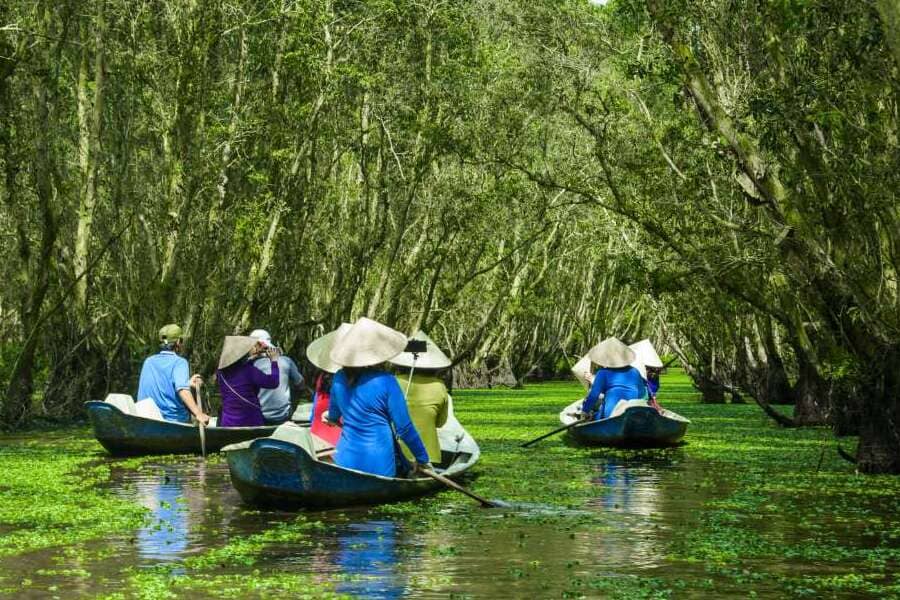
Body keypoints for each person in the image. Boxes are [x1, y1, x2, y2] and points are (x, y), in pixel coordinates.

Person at [323, 318, 430, 477]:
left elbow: (333, 416)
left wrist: (328, 416)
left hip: (343, 462)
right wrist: (422, 459)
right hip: (379, 467)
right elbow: (404, 428)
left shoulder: (338, 378)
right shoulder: (386, 381)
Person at [390, 330, 450, 465]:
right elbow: (440, 423)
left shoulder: (391, 382)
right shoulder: (439, 386)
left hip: (395, 455)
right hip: (429, 457)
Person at [137, 324, 209, 424]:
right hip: (172, 420)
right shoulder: (179, 362)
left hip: (146, 417)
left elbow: (162, 384)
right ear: (178, 342)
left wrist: (187, 383)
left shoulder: (148, 361)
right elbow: (182, 390)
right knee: (193, 416)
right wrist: (198, 413)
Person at [305, 322, 353, 447]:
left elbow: (316, 404)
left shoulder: (321, 376)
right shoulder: (350, 380)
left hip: (316, 433)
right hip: (337, 438)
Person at [216, 335, 280, 427]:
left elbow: (238, 374)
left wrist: (253, 358)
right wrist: (274, 362)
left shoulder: (220, 372)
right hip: (250, 421)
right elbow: (273, 382)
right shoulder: (250, 371)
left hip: (228, 422)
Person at [581, 337, 647, 420]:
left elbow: (594, 395)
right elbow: (642, 393)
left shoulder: (602, 373)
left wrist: (584, 411)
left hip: (611, 414)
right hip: (632, 414)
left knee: (596, 415)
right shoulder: (635, 371)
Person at [249, 329, 305, 426]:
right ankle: (288, 413)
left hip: (259, 416)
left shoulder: (252, 365)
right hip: (283, 415)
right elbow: (300, 383)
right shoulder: (286, 361)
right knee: (296, 382)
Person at [628, 339, 664, 412]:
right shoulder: (638, 376)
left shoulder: (651, 379)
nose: (654, 373)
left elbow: (652, 392)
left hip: (646, 397)